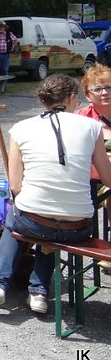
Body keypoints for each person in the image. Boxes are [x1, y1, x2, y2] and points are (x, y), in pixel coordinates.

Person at [0, 75, 111, 315]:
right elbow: (108, 179)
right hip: (77, 227)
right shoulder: (93, 127)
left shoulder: (21, 128)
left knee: (20, 216)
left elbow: (15, 185)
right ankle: (38, 292)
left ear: (43, 101)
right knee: (53, 222)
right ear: (73, 97)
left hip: (33, 222)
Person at [75, 64, 111, 271]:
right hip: (89, 182)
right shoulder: (81, 118)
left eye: (109, 87)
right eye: (98, 89)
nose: (105, 92)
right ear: (88, 95)